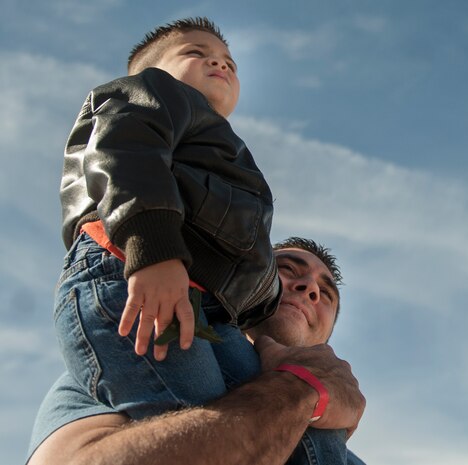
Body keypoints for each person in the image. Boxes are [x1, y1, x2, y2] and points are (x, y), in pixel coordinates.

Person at [53, 15, 352, 464]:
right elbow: (124, 150)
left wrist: (269, 319)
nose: (220, 62)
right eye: (197, 53)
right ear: (150, 72)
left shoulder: (223, 149)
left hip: (202, 304)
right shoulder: (153, 96)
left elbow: (238, 257)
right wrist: (153, 251)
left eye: (230, 61)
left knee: (304, 437)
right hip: (132, 271)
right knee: (215, 423)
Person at [27, 238, 366, 465]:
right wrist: (299, 389)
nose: (309, 288)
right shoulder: (123, 357)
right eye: (288, 270)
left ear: (327, 339)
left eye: (327, 294)